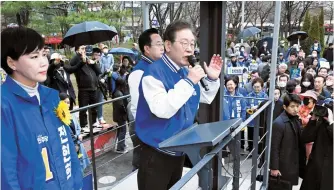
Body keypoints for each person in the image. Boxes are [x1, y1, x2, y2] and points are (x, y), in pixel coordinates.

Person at [135, 20, 223, 189]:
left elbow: (203, 97)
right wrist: (189, 81)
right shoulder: (152, 73)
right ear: (168, 45)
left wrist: (211, 78)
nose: (190, 49)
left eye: (192, 43)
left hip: (180, 148)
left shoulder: (184, 71)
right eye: (184, 43)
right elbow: (163, 109)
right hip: (157, 152)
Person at [1, 27, 82, 189]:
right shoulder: (4, 106)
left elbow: (67, 148)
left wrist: (77, 183)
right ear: (11, 63)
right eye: (34, 56)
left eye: (44, 54)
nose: (44, 62)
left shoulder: (51, 97)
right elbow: (6, 173)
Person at [128, 28, 164, 170]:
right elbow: (139, 108)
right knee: (143, 167)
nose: (162, 48)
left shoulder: (157, 67)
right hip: (146, 130)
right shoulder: (139, 72)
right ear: (147, 49)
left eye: (162, 44)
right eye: (158, 44)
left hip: (157, 129)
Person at [270, 93, 306, 186]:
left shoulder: (295, 119)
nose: (295, 109)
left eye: (297, 106)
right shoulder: (279, 123)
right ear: (285, 107)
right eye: (292, 106)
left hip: (292, 161)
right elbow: (274, 147)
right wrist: (274, 167)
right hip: (283, 164)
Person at [300, 102, 333, 190]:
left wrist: (331, 123)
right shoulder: (322, 124)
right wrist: (313, 119)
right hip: (315, 167)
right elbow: (305, 138)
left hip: (330, 171)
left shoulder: (330, 124)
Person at [70, 45, 102, 129]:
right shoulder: (77, 60)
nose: (84, 50)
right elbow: (71, 64)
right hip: (83, 89)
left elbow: (99, 72)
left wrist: (93, 62)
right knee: (83, 109)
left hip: (93, 88)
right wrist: (79, 55)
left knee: (94, 108)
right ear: (77, 50)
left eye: (85, 48)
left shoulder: (89, 59)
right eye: (82, 49)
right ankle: (83, 126)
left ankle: (94, 123)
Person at [59, 93, 90, 172]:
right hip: (68, 145)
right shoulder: (58, 118)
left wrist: (79, 135)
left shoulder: (71, 114)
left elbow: (78, 127)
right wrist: (76, 139)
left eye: (68, 102)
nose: (67, 104)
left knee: (81, 165)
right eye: (64, 102)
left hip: (78, 143)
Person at [223, 76, 247, 149]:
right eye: (228, 85)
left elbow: (243, 110)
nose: (229, 86)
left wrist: (242, 121)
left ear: (235, 85)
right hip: (226, 121)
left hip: (237, 121)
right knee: (225, 139)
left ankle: (236, 154)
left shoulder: (241, 97)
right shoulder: (223, 96)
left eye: (231, 84)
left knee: (236, 139)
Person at [246, 78, 268, 152]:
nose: (256, 88)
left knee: (261, 136)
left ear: (262, 87)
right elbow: (245, 106)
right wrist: (250, 108)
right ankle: (251, 150)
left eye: (258, 87)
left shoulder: (265, 96)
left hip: (261, 120)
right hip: (251, 120)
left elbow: (267, 107)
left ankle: (260, 150)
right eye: (255, 87)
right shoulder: (249, 95)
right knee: (251, 137)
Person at [113, 78, 129, 153]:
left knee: (121, 130)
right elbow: (121, 106)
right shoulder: (118, 94)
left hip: (118, 115)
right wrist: (126, 111)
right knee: (123, 131)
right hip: (120, 116)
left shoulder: (116, 92)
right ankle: (120, 148)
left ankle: (121, 144)